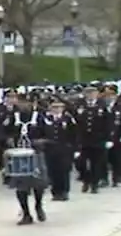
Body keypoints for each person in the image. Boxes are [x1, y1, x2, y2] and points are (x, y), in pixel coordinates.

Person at [5, 93, 49, 225]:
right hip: (19, 155)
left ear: (32, 104)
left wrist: (41, 141)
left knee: (38, 183)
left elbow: (50, 133)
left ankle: (38, 205)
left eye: (26, 103)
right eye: (21, 102)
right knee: (20, 186)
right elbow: (3, 131)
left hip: (35, 153)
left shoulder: (39, 117)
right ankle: (26, 214)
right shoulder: (14, 117)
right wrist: (8, 139)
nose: (23, 105)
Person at [40, 96, 77, 201]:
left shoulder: (68, 119)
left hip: (64, 149)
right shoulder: (46, 119)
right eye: (54, 107)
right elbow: (41, 132)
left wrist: (75, 148)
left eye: (59, 107)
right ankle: (56, 192)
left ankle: (64, 191)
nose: (56, 110)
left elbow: (74, 134)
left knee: (64, 171)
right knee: (52, 171)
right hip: (50, 149)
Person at [77, 84, 111, 194]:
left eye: (92, 93)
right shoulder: (80, 105)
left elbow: (108, 123)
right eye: (88, 93)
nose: (90, 95)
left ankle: (94, 184)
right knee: (81, 163)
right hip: (83, 139)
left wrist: (108, 139)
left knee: (96, 164)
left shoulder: (102, 105)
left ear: (96, 94)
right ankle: (86, 180)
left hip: (98, 139)